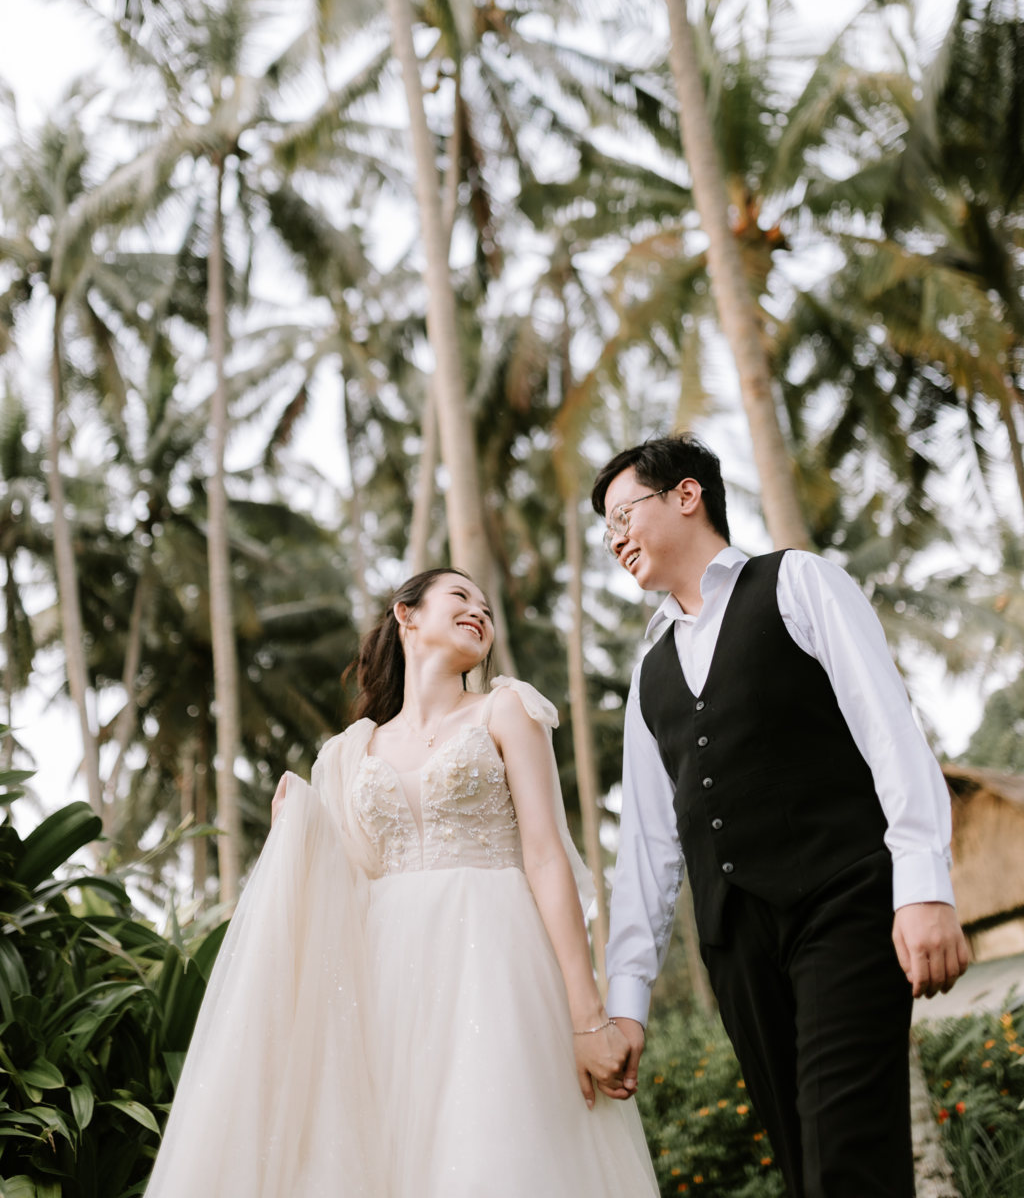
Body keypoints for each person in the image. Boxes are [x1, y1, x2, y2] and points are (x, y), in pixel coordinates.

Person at [144, 566, 658, 1198]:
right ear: (406, 615)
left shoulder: (505, 709)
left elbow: (547, 857)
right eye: (461, 597)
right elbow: (348, 883)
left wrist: (588, 1017)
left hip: (497, 967)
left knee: (496, 1147)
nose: (479, 612)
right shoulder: (349, 752)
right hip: (385, 980)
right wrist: (301, 830)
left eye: (486, 608)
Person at [590, 434, 970, 1198]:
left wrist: (924, 883)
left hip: (844, 903)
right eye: (606, 531)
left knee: (845, 1154)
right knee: (806, 1168)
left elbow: (890, 732)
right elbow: (649, 848)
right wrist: (627, 1000)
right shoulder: (649, 675)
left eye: (624, 515)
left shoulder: (798, 582)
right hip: (736, 944)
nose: (615, 540)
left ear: (687, 496)